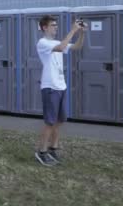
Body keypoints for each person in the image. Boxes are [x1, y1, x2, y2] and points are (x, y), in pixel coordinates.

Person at [35, 15, 84, 166]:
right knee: (50, 122)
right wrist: (72, 31)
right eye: (53, 25)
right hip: (50, 87)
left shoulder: (57, 42)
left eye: (56, 25)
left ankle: (53, 149)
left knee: (59, 121)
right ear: (45, 27)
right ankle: (41, 152)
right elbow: (63, 47)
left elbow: (76, 47)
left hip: (61, 85)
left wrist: (82, 33)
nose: (56, 27)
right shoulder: (42, 43)